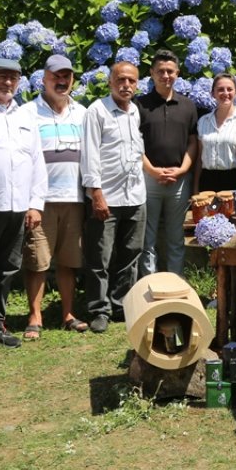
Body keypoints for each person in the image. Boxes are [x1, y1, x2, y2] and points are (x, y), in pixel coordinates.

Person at [0, 57, 47, 349]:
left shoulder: (25, 115)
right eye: (1, 76)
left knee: (6, 268)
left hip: (17, 207)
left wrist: (35, 203)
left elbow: (37, 161)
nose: (7, 82)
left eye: (13, 77)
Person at [19, 55, 88, 337]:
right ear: (44, 79)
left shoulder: (83, 113)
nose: (61, 81)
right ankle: (35, 317)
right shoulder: (26, 112)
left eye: (67, 76)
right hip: (41, 200)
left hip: (74, 198)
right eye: (55, 76)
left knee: (69, 260)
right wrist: (29, 202)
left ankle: (68, 313)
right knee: (37, 260)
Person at [82, 61, 147, 334]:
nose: (126, 85)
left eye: (132, 81)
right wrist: (96, 194)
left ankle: (121, 305)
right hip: (106, 198)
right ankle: (99, 309)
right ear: (110, 82)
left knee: (131, 255)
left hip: (135, 195)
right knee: (100, 257)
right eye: (121, 80)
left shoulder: (135, 111)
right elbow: (89, 155)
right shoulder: (97, 111)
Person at [136, 50, 199, 277]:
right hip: (148, 179)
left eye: (170, 71)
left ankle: (176, 283)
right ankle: (150, 285)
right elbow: (134, 143)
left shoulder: (188, 106)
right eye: (160, 71)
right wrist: (152, 170)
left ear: (177, 73)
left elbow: (193, 142)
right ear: (152, 73)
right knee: (148, 237)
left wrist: (183, 169)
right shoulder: (139, 105)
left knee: (175, 237)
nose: (165, 75)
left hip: (179, 181)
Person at [195, 74, 236, 192]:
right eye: (220, 89)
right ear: (213, 93)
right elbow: (199, 158)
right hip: (207, 182)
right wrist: (195, 189)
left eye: (229, 89)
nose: (225, 93)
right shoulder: (203, 121)